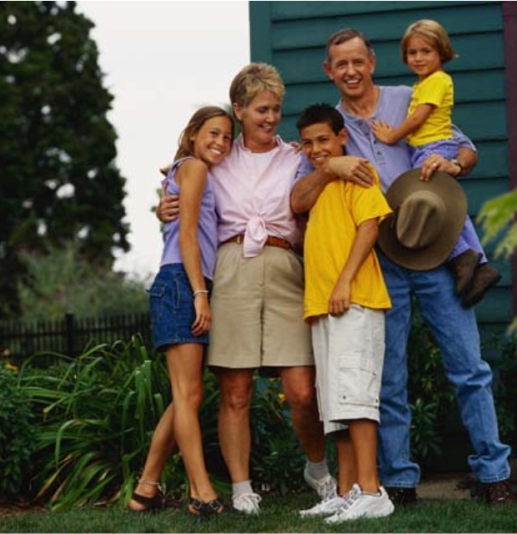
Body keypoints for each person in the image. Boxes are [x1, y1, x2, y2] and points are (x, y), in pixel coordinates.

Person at [290, 28, 514, 506]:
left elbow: (466, 148)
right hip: (376, 263)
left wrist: (456, 166)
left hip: (433, 251)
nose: (350, 71)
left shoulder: (409, 98)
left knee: (468, 367)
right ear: (329, 72)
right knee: (387, 379)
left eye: (358, 61)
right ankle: (398, 480)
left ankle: (494, 474)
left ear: (371, 61)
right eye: (340, 65)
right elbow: (298, 199)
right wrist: (328, 167)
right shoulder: (328, 130)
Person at [157, 63, 333, 515]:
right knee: (236, 390)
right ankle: (241, 487)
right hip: (232, 265)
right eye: (260, 109)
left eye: (275, 109)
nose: (270, 117)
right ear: (239, 110)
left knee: (301, 389)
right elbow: (184, 198)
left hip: (282, 264)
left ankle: (316, 468)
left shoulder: (294, 157)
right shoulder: (217, 158)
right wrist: (163, 206)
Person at [130, 106, 233, 517]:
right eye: (213, 133)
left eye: (227, 136)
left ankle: (145, 489)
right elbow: (187, 235)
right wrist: (199, 293)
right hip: (181, 282)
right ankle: (201, 492)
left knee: (186, 394)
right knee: (187, 394)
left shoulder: (185, 169)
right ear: (192, 134)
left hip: (183, 281)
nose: (221, 142)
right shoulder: (193, 168)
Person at [295, 103, 395, 523]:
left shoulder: (360, 175)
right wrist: (329, 166)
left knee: (357, 398)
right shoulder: (320, 185)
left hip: (355, 300)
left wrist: (343, 282)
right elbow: (296, 202)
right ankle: (348, 490)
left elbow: (370, 227)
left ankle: (372, 491)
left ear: (340, 137)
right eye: (309, 142)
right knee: (335, 404)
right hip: (323, 307)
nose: (316, 148)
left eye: (324, 140)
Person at [370, 19, 501, 307]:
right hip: (429, 145)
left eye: (426, 51)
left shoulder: (437, 81)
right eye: (412, 52)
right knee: (450, 206)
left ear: (441, 52)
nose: (418, 58)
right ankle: (481, 266)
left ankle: (462, 255)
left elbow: (419, 118)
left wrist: (391, 136)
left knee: (435, 205)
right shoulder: (424, 84)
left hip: (432, 147)